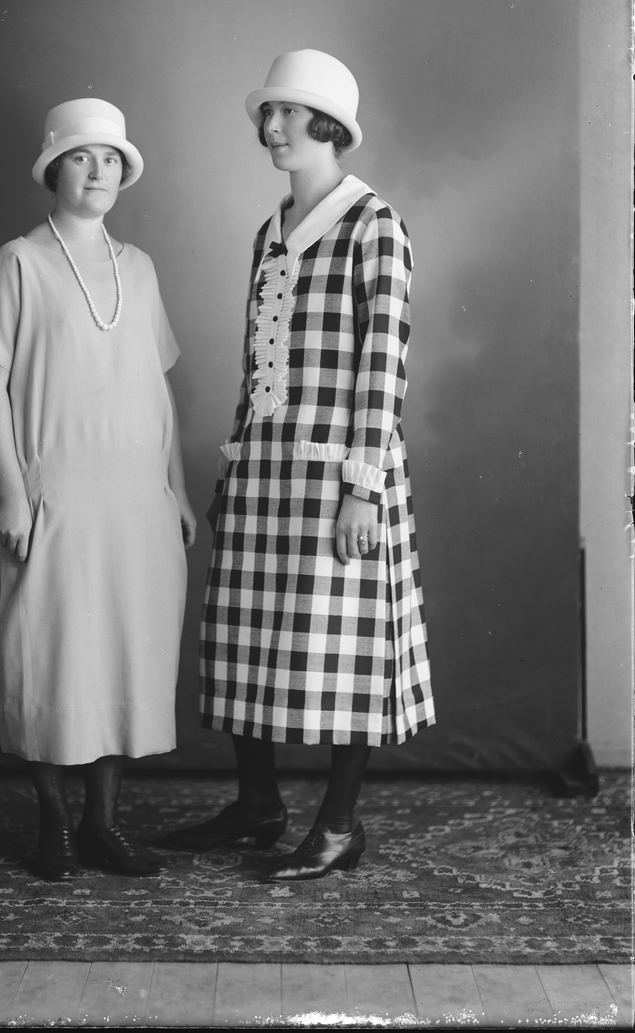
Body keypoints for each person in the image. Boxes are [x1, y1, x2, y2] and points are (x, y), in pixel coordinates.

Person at [165, 50, 435, 881]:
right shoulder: (269, 231)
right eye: (268, 113)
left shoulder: (373, 225)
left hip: (337, 474)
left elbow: (382, 367)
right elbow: (257, 370)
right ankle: (257, 805)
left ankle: (339, 824)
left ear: (326, 124)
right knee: (244, 636)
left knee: (345, 644)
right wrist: (232, 472)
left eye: (285, 112)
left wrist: (362, 488)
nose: (270, 126)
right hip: (263, 469)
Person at [0, 98, 195, 881]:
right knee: (49, 656)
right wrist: (11, 493)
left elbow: (157, 390)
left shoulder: (140, 268)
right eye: (81, 156)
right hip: (53, 495)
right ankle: (54, 821)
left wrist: (176, 490)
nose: (98, 171)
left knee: (123, 656)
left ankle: (104, 822)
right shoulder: (19, 262)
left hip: (134, 500)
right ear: (53, 169)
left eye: (110, 159)